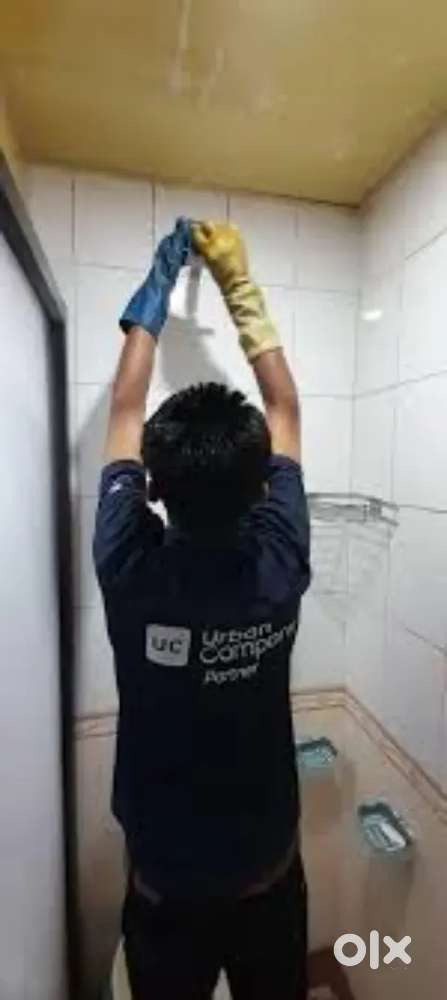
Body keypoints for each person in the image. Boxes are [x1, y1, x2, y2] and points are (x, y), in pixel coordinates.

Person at [94, 217, 311, 1000]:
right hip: (268, 883)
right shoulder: (280, 560)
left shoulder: (129, 566)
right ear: (261, 489)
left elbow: (123, 411)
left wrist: (157, 289)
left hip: (166, 895)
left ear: (152, 489)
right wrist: (236, 283)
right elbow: (284, 408)